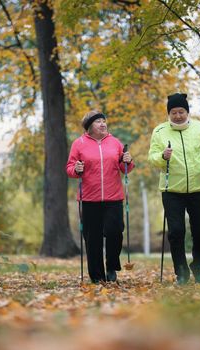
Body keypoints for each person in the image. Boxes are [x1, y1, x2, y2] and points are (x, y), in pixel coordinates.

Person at [148, 93, 200, 285]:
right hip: (172, 190)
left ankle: (197, 268)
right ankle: (181, 273)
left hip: (199, 188)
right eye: (173, 112)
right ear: (168, 113)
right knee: (176, 232)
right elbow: (152, 157)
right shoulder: (160, 131)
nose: (178, 115)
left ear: (187, 112)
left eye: (181, 111)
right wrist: (162, 156)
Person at [66, 110, 134, 283]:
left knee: (115, 232)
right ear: (90, 127)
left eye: (104, 121)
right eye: (98, 122)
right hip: (89, 199)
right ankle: (97, 276)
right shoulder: (79, 144)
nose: (103, 124)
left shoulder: (115, 142)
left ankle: (112, 266)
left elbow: (125, 168)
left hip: (113, 197)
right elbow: (70, 168)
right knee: (92, 239)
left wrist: (127, 160)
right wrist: (76, 169)